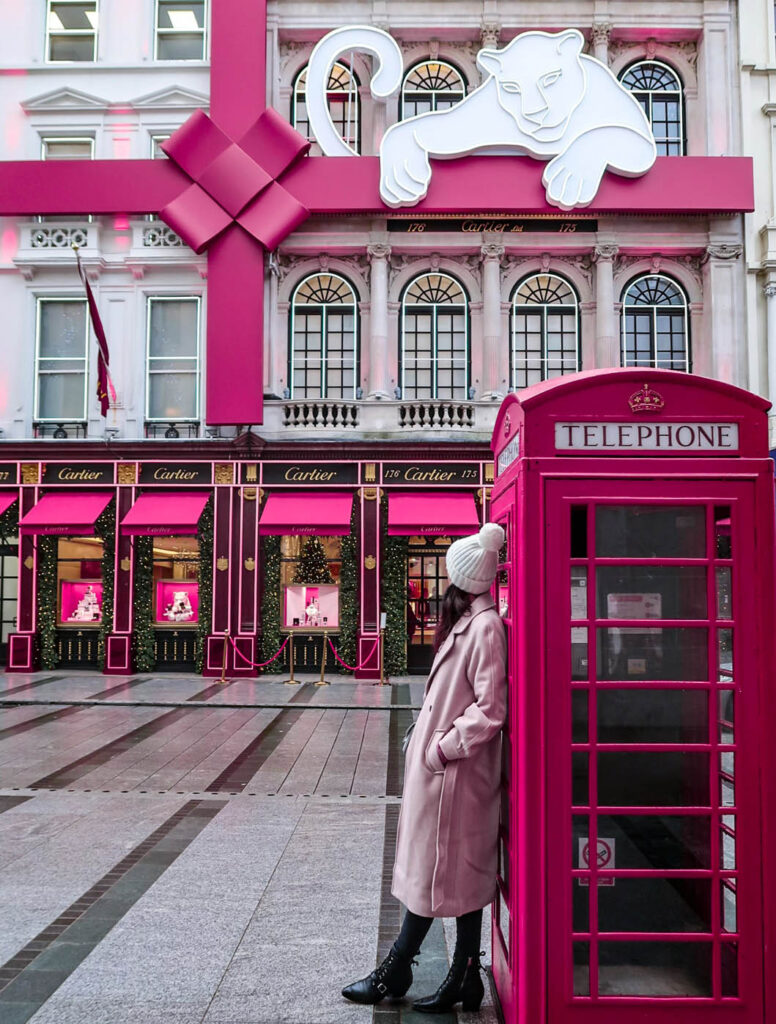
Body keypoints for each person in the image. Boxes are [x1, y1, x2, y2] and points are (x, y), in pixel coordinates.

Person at [342, 522, 507, 1013]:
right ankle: (462, 973)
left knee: (436, 872)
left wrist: (442, 748)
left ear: (462, 581)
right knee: (453, 871)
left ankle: (399, 968)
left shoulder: (484, 628)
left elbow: (491, 708)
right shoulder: (473, 623)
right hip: (444, 774)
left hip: (456, 775)